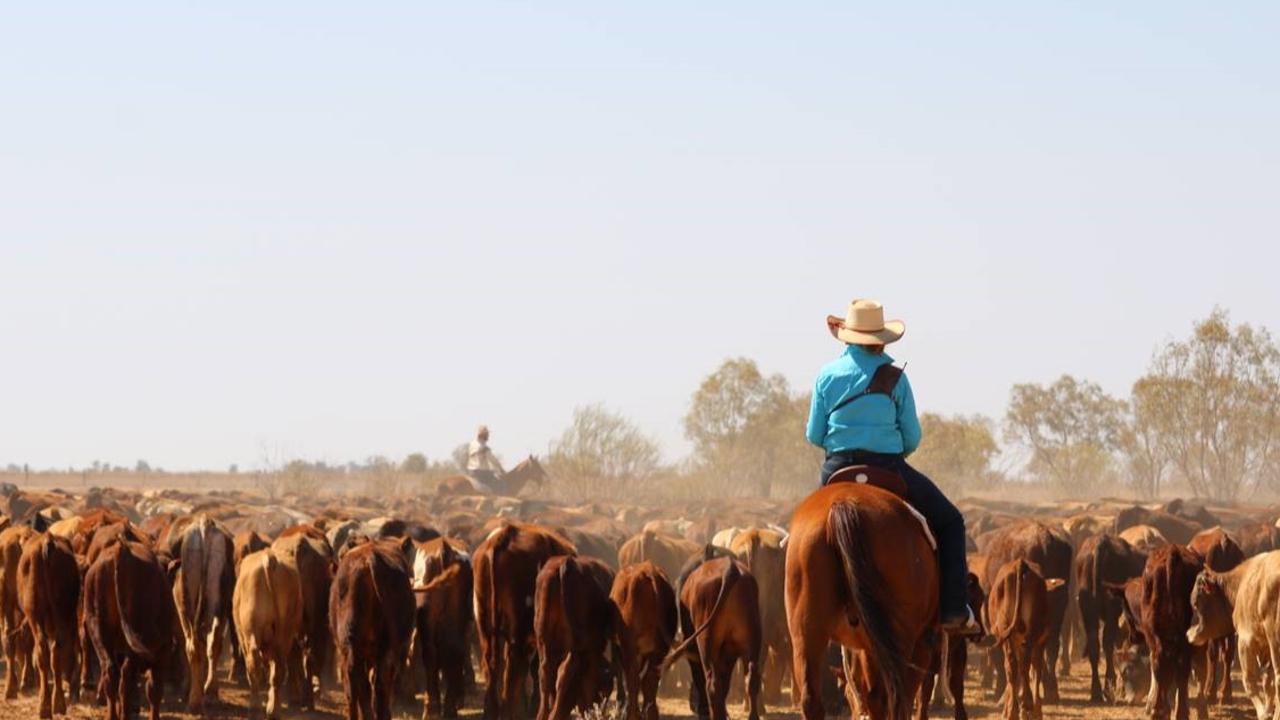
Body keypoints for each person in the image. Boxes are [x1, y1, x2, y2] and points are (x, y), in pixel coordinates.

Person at [806, 299, 979, 634]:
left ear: (847, 337)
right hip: (887, 468)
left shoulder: (826, 376)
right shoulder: (896, 379)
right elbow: (911, 438)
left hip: (836, 469)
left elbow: (815, 434)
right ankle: (954, 609)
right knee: (950, 522)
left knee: (805, 533)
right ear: (881, 340)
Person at [466, 425, 506, 492]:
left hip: (472, 471)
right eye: (487, 434)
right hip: (482, 472)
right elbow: (492, 460)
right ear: (484, 435)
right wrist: (501, 468)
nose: (488, 436)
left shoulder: (472, 443)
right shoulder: (484, 447)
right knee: (501, 485)